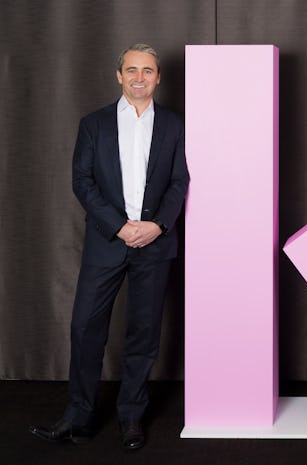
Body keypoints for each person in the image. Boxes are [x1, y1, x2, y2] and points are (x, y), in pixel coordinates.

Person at [29, 43, 190, 450]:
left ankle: (131, 418)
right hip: (107, 243)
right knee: (85, 327)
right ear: (119, 76)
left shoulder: (176, 125)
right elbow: (81, 181)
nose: (140, 77)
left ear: (158, 78)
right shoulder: (94, 124)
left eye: (148, 71)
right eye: (132, 70)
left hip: (156, 243)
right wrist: (120, 227)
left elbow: (180, 180)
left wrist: (157, 224)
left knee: (144, 333)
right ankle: (78, 417)